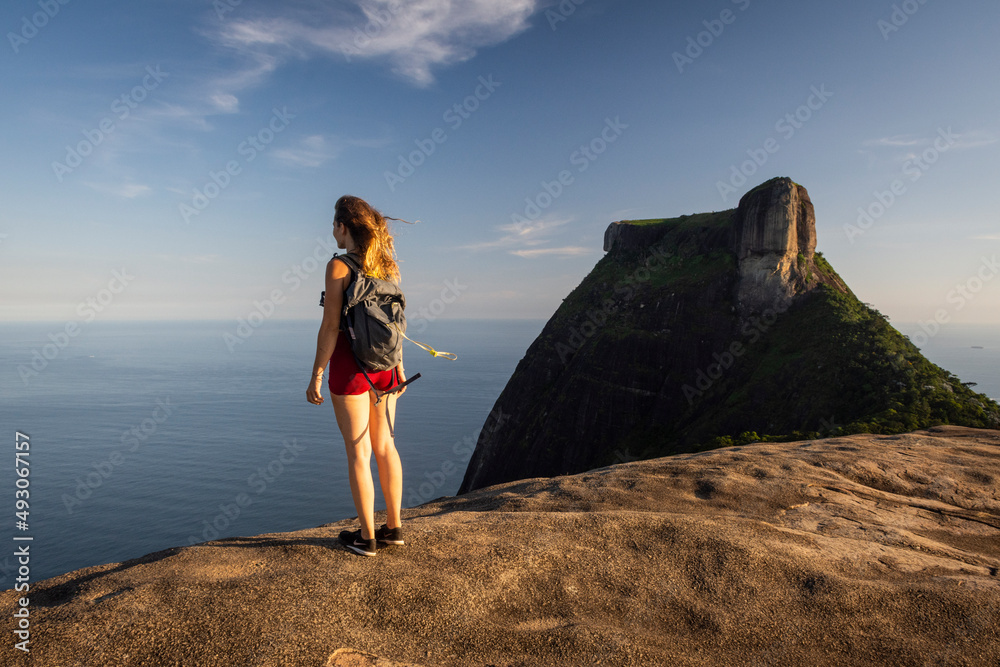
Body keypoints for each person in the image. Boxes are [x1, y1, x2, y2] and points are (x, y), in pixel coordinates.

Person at [306, 195, 408, 557]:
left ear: (343, 226)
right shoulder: (387, 265)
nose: (332, 231)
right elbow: (396, 322)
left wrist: (317, 374)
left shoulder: (338, 266)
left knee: (358, 453)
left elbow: (330, 326)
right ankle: (393, 528)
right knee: (386, 447)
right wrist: (399, 366)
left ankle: (366, 539)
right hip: (387, 369)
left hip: (351, 371)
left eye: (334, 224)